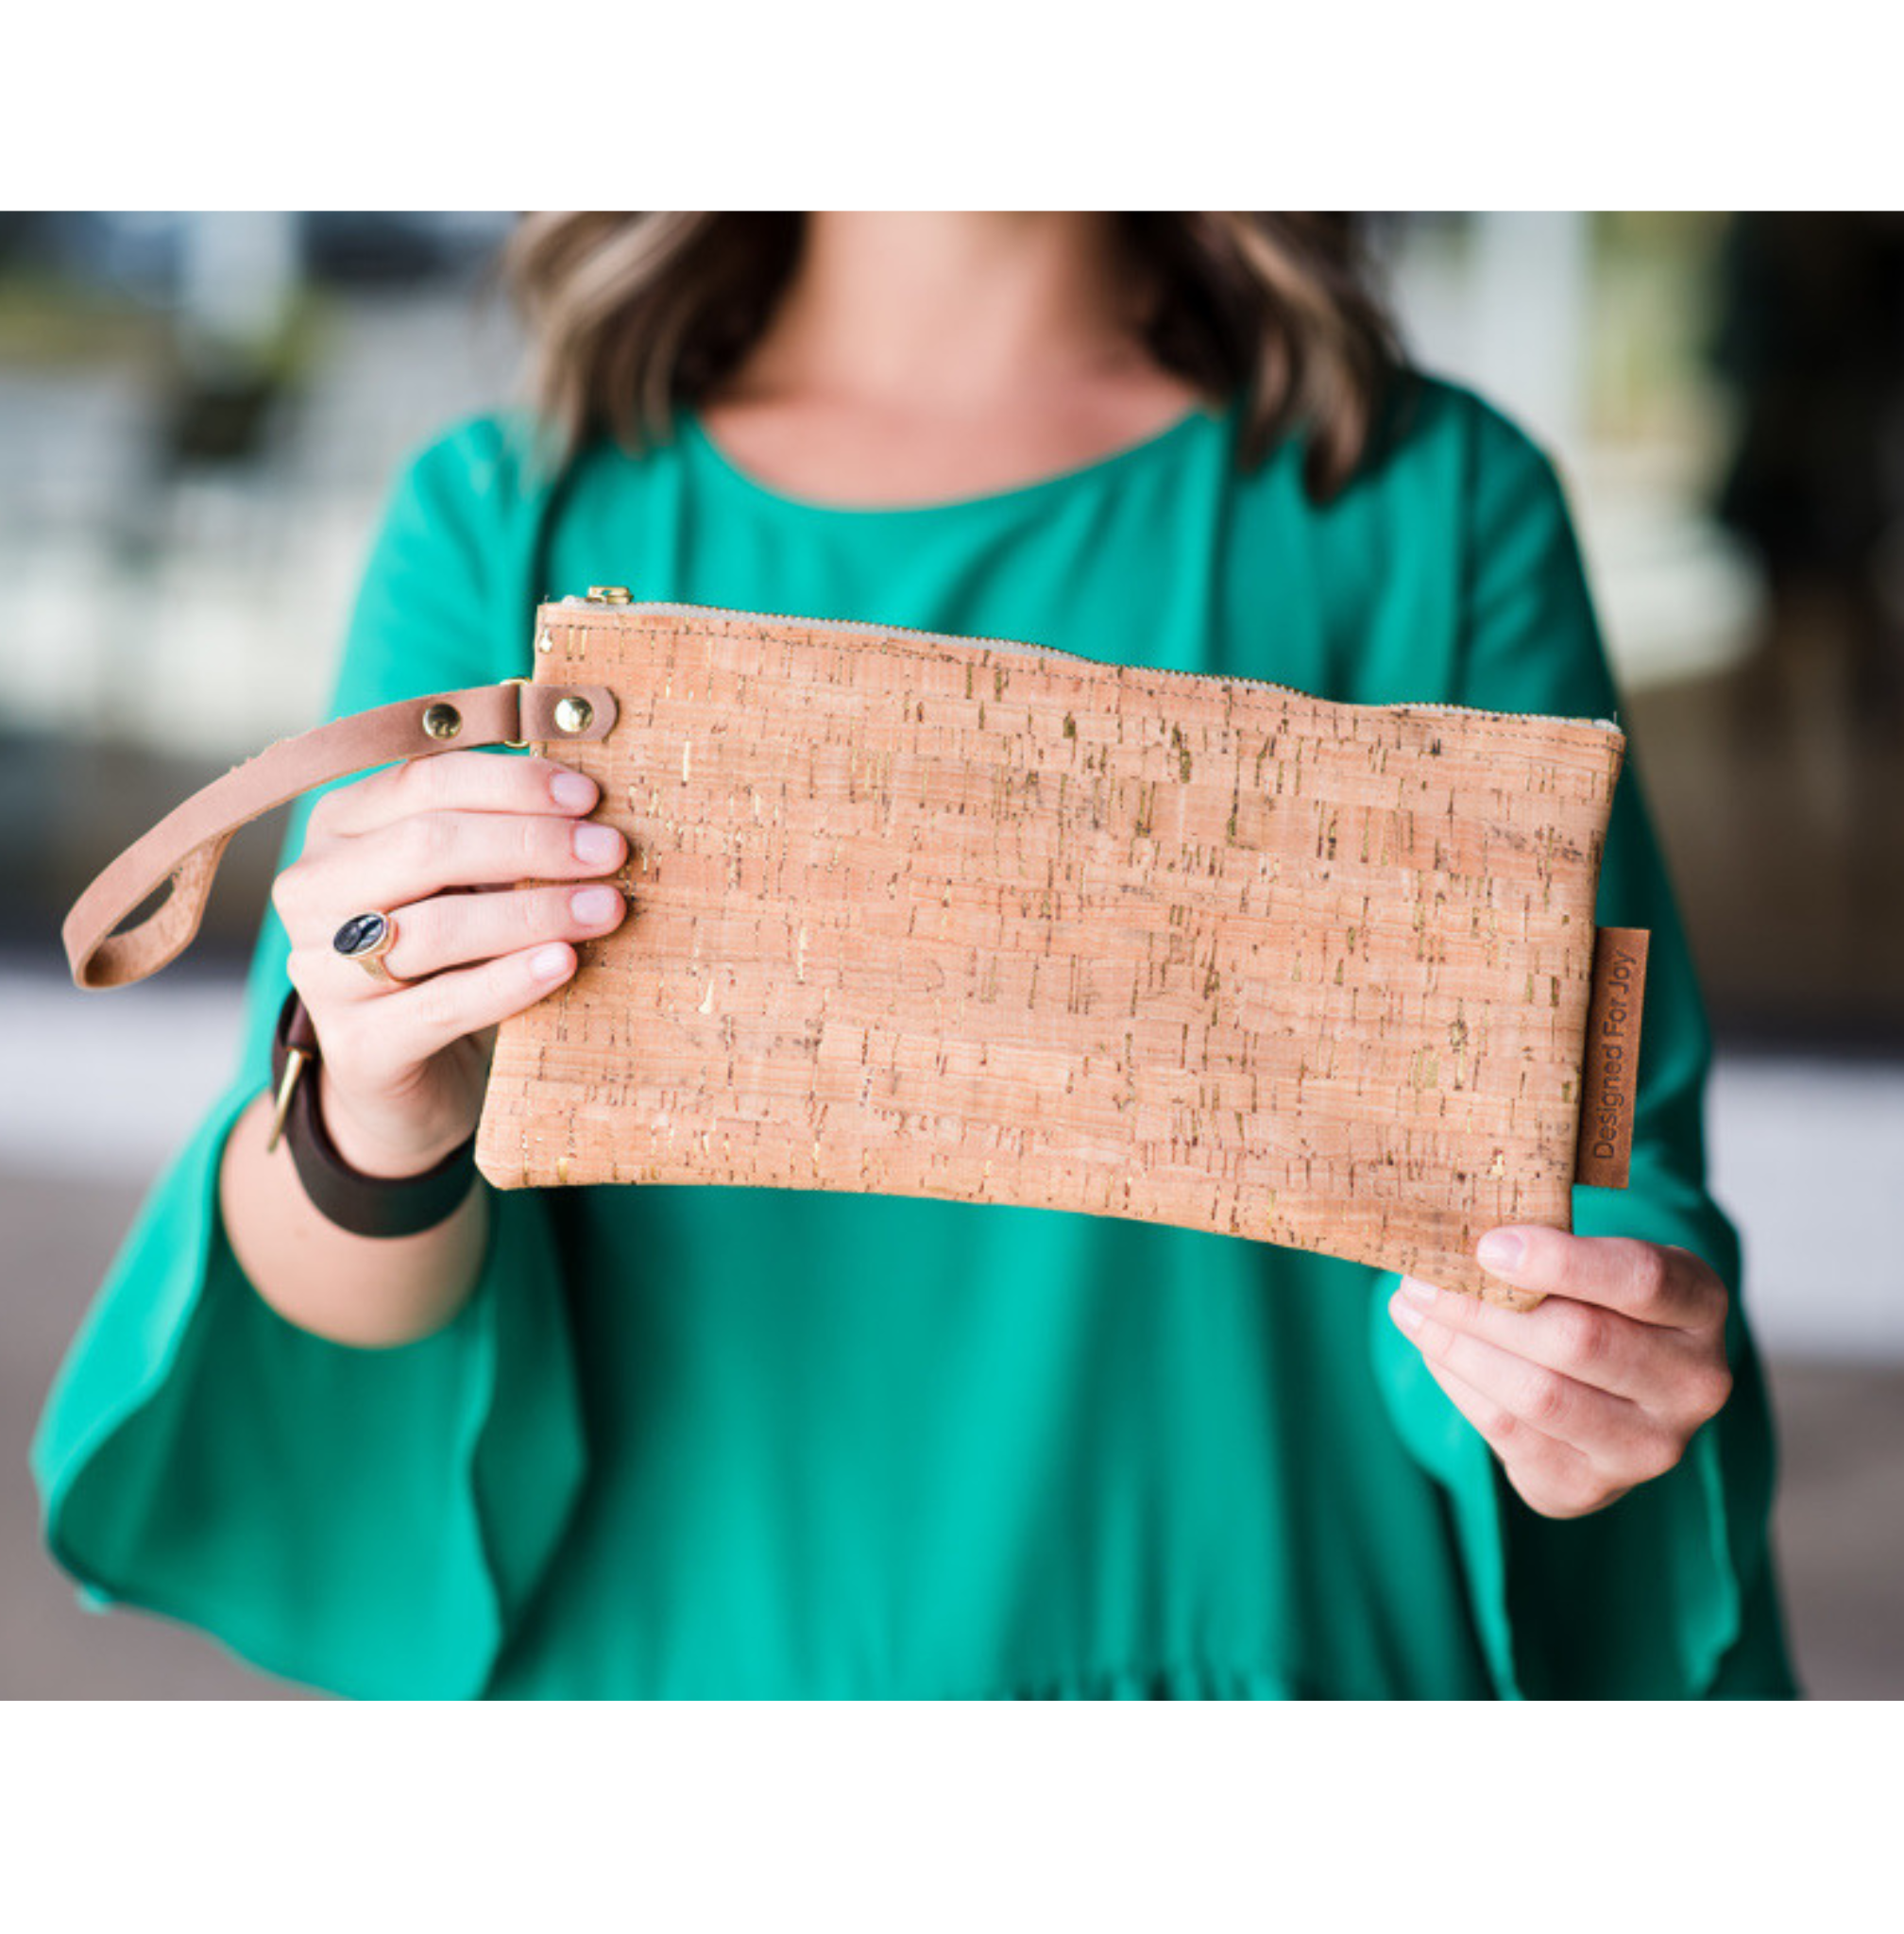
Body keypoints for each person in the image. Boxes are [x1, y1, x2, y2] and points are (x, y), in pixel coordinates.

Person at [33, 212, 1800, 1699]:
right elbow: (334, 1280)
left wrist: (1585, 1373)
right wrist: (377, 1099)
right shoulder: (510, 514)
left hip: (1268, 1667)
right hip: (688, 1698)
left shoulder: (1427, 505)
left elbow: (1594, 1178)